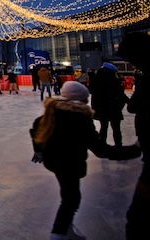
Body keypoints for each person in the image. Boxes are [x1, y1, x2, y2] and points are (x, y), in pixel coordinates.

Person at [30, 81, 141, 240]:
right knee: (71, 199)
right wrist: (135, 150)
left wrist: (39, 150)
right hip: (69, 163)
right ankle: (58, 234)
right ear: (81, 100)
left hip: (54, 161)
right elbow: (102, 151)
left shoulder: (50, 112)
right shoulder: (80, 119)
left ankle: (66, 229)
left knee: (68, 195)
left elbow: (36, 130)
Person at [116, 32, 150, 239]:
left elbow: (134, 106)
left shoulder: (147, 80)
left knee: (138, 218)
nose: (130, 63)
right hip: (148, 148)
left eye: (130, 58)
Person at [89, 62, 129, 147]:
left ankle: (102, 145)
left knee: (103, 127)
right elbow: (120, 94)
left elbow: (91, 91)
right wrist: (129, 102)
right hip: (113, 108)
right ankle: (118, 145)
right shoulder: (113, 79)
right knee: (116, 128)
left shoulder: (95, 79)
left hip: (100, 108)